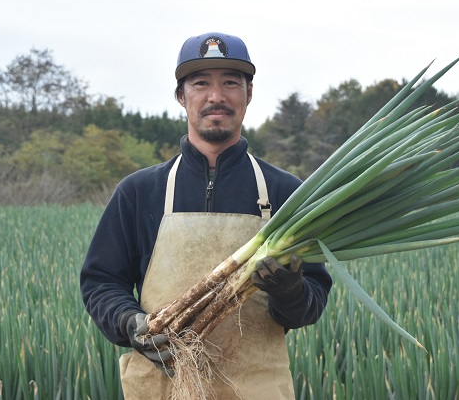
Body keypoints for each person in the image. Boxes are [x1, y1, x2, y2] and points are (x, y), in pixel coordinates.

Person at [80, 32, 333, 399]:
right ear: (181, 96)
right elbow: (101, 282)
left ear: (249, 93)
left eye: (230, 82)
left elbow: (311, 304)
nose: (216, 96)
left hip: (256, 390)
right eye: (201, 83)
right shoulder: (139, 191)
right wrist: (129, 322)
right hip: (163, 388)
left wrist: (290, 291)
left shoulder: (287, 193)